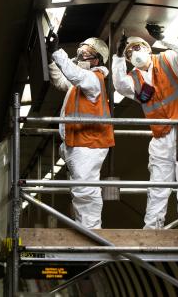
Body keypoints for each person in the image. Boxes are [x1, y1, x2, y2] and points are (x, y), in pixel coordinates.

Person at [111, 24, 178, 230]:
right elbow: (119, 85)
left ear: (147, 48)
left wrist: (165, 37)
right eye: (128, 52)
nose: (133, 53)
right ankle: (152, 229)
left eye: (137, 48)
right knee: (158, 185)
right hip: (160, 135)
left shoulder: (168, 60)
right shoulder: (133, 78)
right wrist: (117, 57)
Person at [46, 31, 115, 229]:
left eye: (85, 54)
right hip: (79, 142)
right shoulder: (80, 84)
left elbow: (74, 74)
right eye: (79, 51)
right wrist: (51, 57)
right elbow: (61, 80)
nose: (80, 56)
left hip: (89, 144)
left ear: (97, 60)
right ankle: (86, 230)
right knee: (81, 191)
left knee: (85, 191)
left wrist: (57, 51)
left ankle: (92, 234)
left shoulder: (94, 79)